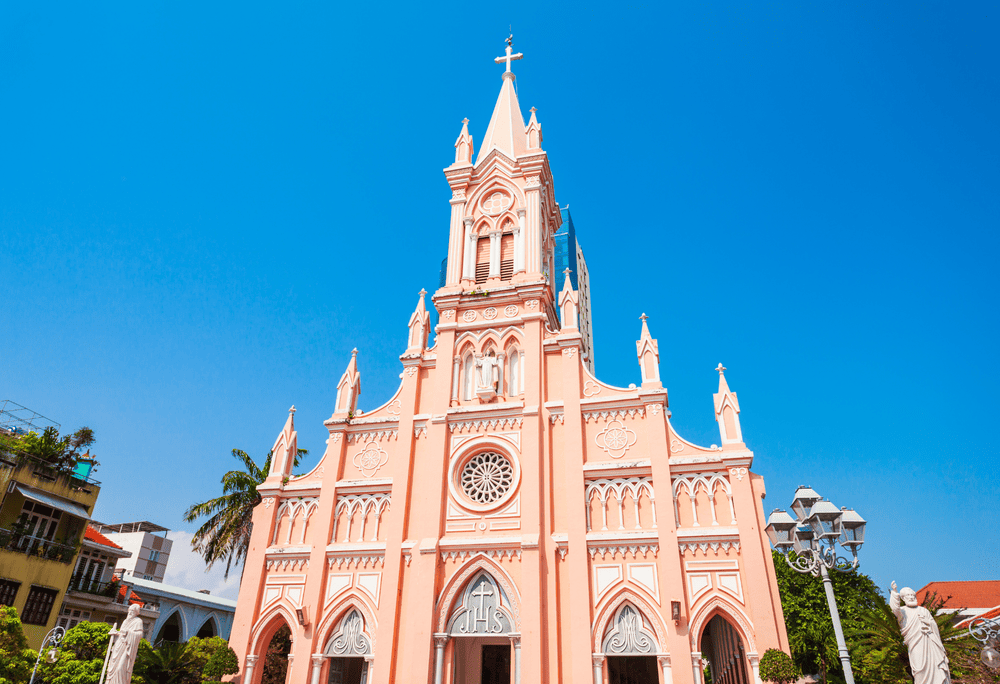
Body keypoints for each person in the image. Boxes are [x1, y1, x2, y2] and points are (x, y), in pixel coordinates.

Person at [890, 581, 951, 684]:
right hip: (915, 644)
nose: (911, 597)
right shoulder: (903, 611)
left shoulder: (924, 611)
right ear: (903, 598)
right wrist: (895, 592)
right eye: (908, 595)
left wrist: (928, 623)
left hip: (930, 642)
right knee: (919, 669)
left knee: (935, 665)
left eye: (912, 595)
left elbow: (933, 625)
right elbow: (895, 609)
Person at [105, 603, 144, 684]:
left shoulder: (138, 621)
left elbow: (139, 635)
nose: (129, 613)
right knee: (111, 668)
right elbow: (121, 633)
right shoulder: (125, 621)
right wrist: (116, 633)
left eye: (132, 611)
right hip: (119, 645)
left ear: (136, 612)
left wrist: (128, 632)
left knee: (120, 668)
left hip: (128, 647)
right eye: (129, 611)